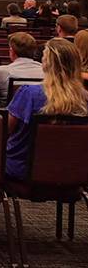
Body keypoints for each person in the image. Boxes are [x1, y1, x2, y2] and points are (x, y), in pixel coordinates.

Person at [5, 38, 88, 180]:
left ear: (46, 63)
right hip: (74, 171)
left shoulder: (29, 93)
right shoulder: (85, 98)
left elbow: (6, 129)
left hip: (23, 169)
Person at [0, 32, 43, 106]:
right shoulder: (46, 70)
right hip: (41, 114)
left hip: (7, 114)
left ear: (12, 51)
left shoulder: (2, 71)